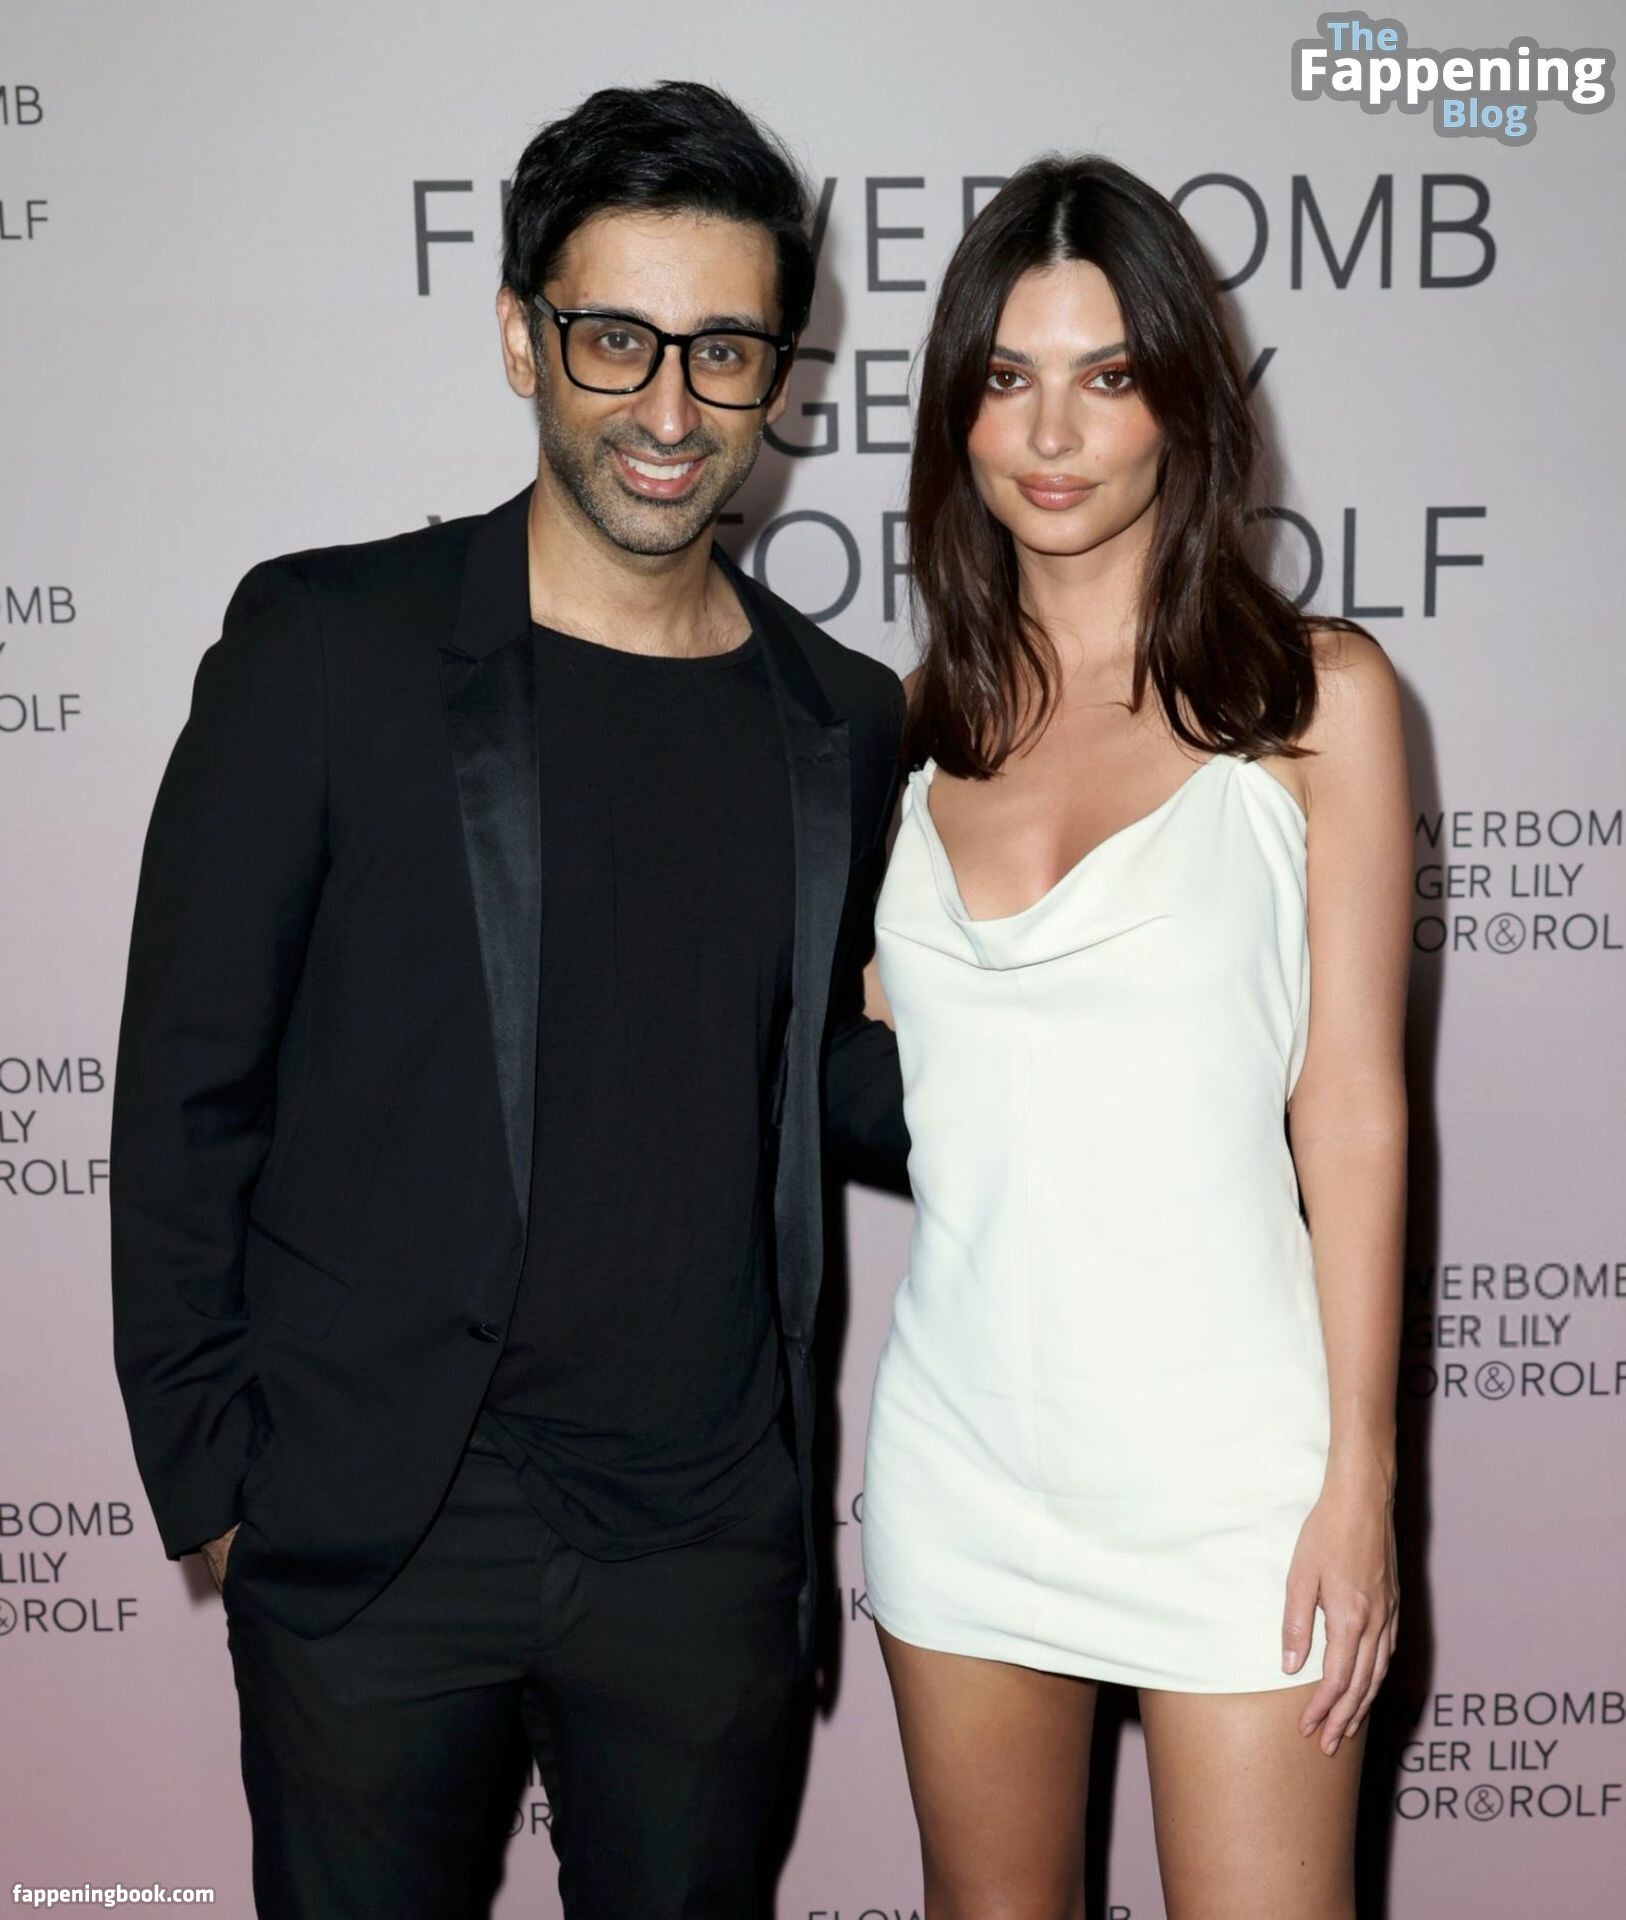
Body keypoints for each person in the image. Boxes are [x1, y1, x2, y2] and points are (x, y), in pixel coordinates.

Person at [110, 80, 908, 1920]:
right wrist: (214, 1471)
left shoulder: (842, 717)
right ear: (519, 338)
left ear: (778, 377)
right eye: (616, 338)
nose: (669, 408)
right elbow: (185, 1081)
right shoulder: (331, 649)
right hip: (382, 1523)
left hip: (702, 1542)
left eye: (723, 351)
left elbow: (823, 1077)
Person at [860, 154, 1409, 1918]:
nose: (1051, 432)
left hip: (1233, 1485)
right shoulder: (905, 733)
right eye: (1005, 377)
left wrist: (1358, 1480)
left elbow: (1351, 1114)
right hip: (959, 1467)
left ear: (1181, 395)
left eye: (1104, 375)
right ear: (954, 413)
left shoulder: (1310, 705)